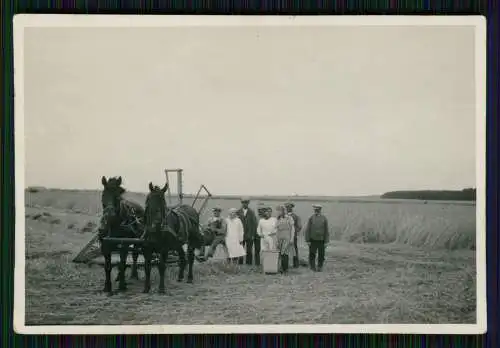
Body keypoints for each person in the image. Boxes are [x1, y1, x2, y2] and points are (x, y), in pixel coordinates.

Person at [304, 204, 329, 272]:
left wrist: (326, 241)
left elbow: (326, 230)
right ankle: (312, 266)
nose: (317, 211)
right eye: (315, 210)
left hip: (321, 240)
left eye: (318, 210)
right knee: (312, 254)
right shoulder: (311, 218)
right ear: (314, 210)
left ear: (320, 210)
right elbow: (308, 229)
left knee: (321, 254)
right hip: (313, 240)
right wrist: (307, 240)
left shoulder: (324, 218)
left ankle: (320, 266)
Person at [237, 197, 259, 266]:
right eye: (243, 203)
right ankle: (240, 264)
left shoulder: (251, 212)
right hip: (241, 235)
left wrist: (252, 234)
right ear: (241, 203)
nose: (245, 204)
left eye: (246, 203)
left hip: (249, 235)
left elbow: (254, 224)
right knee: (240, 250)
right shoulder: (238, 212)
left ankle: (248, 264)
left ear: (248, 203)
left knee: (249, 250)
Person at [275, 205, 296, 274]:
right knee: (280, 253)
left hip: (287, 236)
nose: (278, 212)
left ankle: (285, 269)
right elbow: (276, 229)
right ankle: (281, 268)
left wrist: (292, 238)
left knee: (285, 252)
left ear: (283, 211)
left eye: (280, 210)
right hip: (279, 237)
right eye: (278, 211)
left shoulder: (289, 218)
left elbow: (292, 228)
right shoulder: (278, 219)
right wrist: (276, 239)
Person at [285, 201, 302, 268]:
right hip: (285, 236)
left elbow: (299, 226)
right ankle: (285, 264)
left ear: (292, 208)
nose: (288, 208)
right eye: (287, 207)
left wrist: (294, 232)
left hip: (292, 236)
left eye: (289, 207)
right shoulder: (284, 216)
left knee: (294, 250)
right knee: (284, 250)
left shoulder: (295, 216)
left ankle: (296, 264)